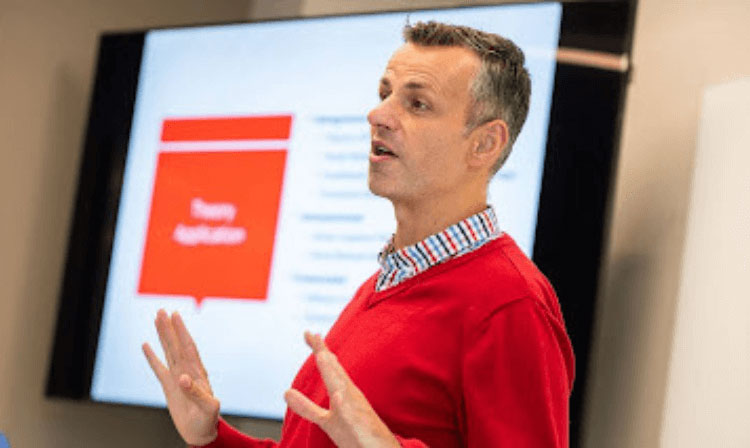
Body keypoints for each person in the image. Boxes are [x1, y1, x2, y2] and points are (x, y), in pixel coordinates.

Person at [143, 21, 575, 447]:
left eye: (417, 103)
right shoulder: (389, 281)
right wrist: (213, 438)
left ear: (484, 144)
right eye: (385, 93)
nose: (378, 114)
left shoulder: (511, 304)